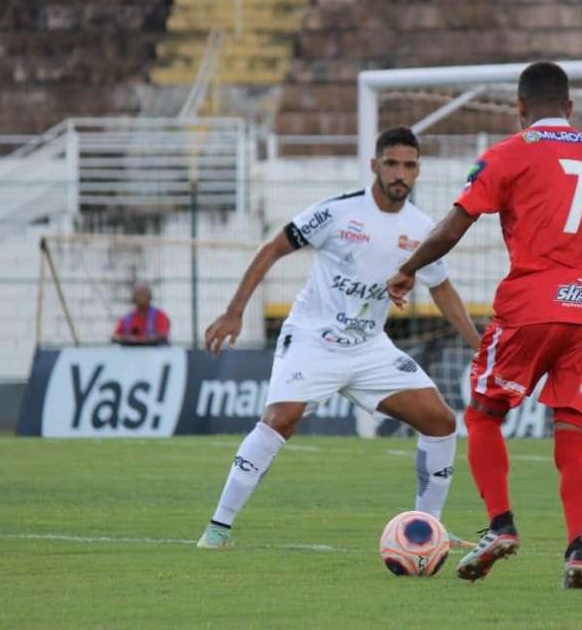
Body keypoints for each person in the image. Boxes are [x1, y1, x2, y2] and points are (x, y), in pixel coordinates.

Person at [387, 62, 582, 589]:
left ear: (520, 108)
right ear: (570, 107)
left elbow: (454, 225)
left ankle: (501, 524)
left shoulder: (508, 153)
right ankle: (578, 550)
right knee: (574, 437)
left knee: (483, 413)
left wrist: (409, 268)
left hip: (532, 303)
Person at [197, 127, 481, 550]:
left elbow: (442, 289)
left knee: (441, 422)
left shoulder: (423, 229)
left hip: (369, 348)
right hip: (312, 339)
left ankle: (427, 528)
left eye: (409, 166)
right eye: (392, 164)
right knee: (279, 420)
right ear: (375, 165)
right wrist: (235, 311)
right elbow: (273, 248)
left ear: (418, 171)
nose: (399, 174)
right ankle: (218, 529)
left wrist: (479, 346)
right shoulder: (337, 212)